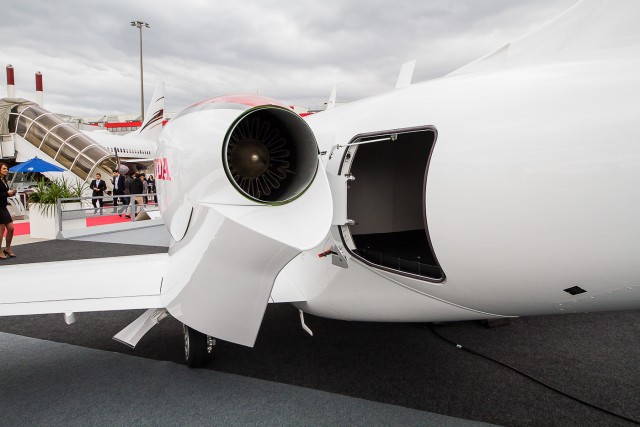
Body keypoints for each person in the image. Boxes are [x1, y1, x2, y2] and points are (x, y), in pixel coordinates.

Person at [0, 163, 17, 259]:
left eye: (7, 169)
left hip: (3, 207)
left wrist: (12, 193)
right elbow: (2, 193)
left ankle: (7, 248)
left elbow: (4, 193)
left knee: (11, 228)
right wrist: (7, 193)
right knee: (1, 230)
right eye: (4, 168)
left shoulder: (4, 179)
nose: (6, 170)